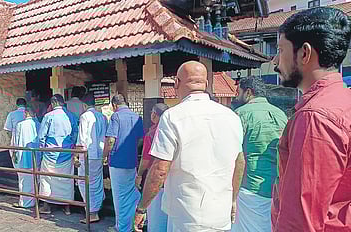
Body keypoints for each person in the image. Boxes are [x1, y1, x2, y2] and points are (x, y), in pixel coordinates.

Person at [134, 61, 244, 232]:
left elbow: (160, 169)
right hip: (220, 214)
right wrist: (233, 199)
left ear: (176, 84)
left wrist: (142, 208)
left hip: (186, 216)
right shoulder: (232, 117)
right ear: (206, 84)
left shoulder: (172, 117)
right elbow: (239, 163)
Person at [271, 7, 351, 231]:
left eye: (280, 50)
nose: (276, 61)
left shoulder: (315, 117)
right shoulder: (344, 100)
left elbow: (301, 219)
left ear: (304, 53)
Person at [230, 76, 287, 232]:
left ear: (248, 92)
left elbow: (232, 154)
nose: (236, 96)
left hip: (248, 188)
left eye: (238, 92)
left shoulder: (240, 115)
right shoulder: (281, 115)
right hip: (275, 187)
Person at [103, 94, 144, 232]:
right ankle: (133, 222)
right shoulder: (137, 117)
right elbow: (140, 140)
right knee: (130, 192)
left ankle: (122, 227)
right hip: (131, 161)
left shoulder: (116, 116)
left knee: (119, 196)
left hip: (117, 161)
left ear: (114, 105)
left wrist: (105, 155)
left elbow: (111, 140)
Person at [38, 94, 78, 215]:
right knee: (66, 180)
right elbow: (75, 134)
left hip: (50, 153)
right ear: (62, 102)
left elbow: (41, 136)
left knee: (47, 179)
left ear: (53, 103)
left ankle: (46, 206)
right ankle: (67, 207)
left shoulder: (48, 116)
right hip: (66, 153)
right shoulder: (71, 116)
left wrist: (42, 150)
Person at [74, 91, 108, 224]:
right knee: (97, 181)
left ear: (84, 104)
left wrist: (76, 156)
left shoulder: (85, 116)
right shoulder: (102, 117)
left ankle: (92, 212)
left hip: (88, 154)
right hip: (99, 153)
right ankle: (98, 204)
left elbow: (82, 139)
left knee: (84, 182)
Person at [135, 103, 169, 232]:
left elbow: (145, 159)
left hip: (155, 179)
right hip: (171, 180)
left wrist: (139, 175)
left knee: (155, 218)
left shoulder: (152, 133)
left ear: (154, 115)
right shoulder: (174, 130)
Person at [12, 110, 41, 208]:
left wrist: (14, 153)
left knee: (24, 180)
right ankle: (37, 199)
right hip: (37, 155)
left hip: (23, 155)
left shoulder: (20, 125)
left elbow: (15, 142)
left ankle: (26, 202)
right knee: (36, 178)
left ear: (25, 113)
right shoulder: (38, 124)